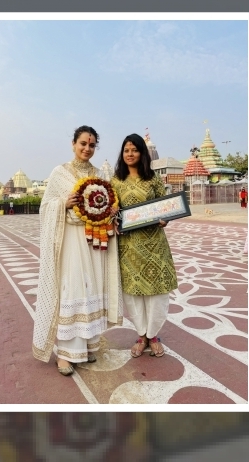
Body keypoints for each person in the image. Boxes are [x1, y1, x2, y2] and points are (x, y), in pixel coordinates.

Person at [31, 125, 123, 376]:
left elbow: (109, 203)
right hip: (70, 240)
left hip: (93, 241)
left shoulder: (99, 174)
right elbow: (45, 207)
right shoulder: (60, 173)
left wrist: (111, 210)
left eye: (92, 145)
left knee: (91, 288)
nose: (87, 148)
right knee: (72, 289)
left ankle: (87, 346)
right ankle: (65, 354)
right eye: (83, 143)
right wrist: (63, 202)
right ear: (73, 144)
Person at [111, 133, 178, 358]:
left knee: (157, 293)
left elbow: (166, 207)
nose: (130, 154)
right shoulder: (116, 181)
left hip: (154, 245)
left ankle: (154, 335)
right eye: (126, 150)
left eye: (135, 150)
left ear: (142, 153)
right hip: (129, 246)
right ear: (122, 153)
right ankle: (141, 336)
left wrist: (165, 218)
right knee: (134, 293)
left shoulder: (153, 180)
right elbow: (112, 210)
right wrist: (114, 219)